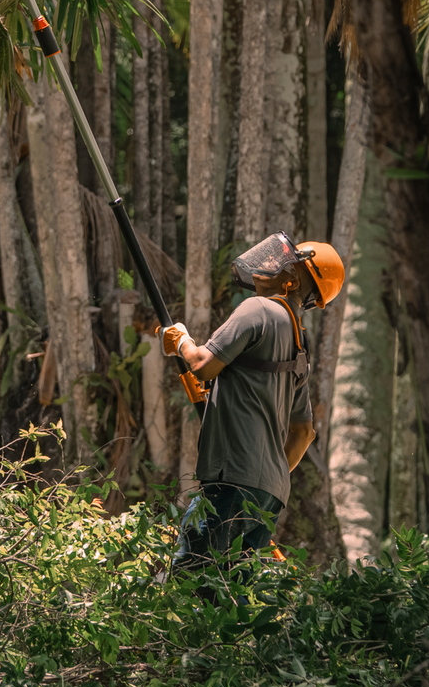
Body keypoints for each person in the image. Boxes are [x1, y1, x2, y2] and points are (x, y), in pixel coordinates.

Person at [140, 232, 345, 571]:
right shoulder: (299, 342)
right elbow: (304, 432)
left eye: (285, 260)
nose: (270, 261)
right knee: (230, 594)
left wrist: (182, 342)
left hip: (231, 481)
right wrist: (261, 478)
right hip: (270, 491)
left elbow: (203, 365)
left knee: (192, 581)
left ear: (293, 279)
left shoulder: (258, 309)